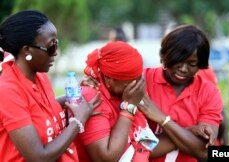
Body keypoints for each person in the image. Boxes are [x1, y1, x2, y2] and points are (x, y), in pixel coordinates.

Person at [0, 10, 101, 162]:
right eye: (51, 46)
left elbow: (41, 109)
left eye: (57, 43)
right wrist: (78, 120)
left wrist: (75, 95)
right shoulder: (7, 91)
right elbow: (39, 157)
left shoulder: (39, 76)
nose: (55, 52)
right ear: (27, 50)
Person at [138, 25, 223, 162]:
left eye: (192, 64)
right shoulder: (142, 82)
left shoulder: (209, 92)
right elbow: (137, 146)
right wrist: (188, 132)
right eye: (178, 61)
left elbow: (205, 151)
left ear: (201, 64)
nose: (183, 69)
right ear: (164, 55)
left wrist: (162, 119)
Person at [74, 41, 159, 162]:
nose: (137, 88)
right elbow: (105, 157)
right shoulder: (92, 97)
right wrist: (129, 108)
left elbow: (142, 145)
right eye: (130, 83)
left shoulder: (125, 93)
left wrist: (178, 132)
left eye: (139, 80)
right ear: (109, 80)